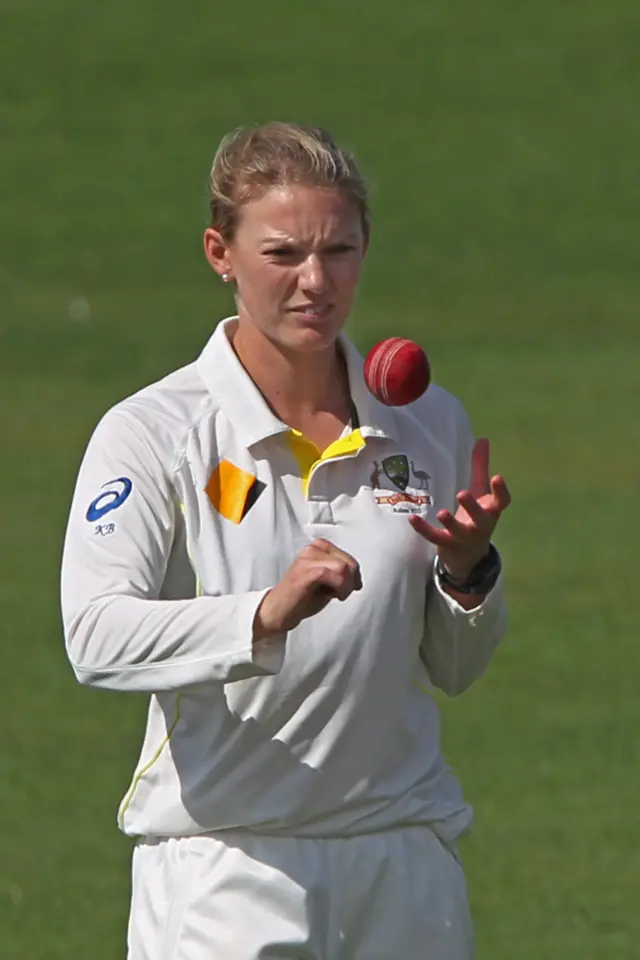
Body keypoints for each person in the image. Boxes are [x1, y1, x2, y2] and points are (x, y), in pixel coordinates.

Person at [61, 122, 511, 960]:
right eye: (283, 254)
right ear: (218, 253)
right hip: (228, 871)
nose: (315, 281)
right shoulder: (155, 431)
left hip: (402, 854)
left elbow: (454, 668)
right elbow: (94, 638)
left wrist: (468, 573)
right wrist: (261, 615)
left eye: (338, 250)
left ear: (366, 245)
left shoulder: (427, 422)